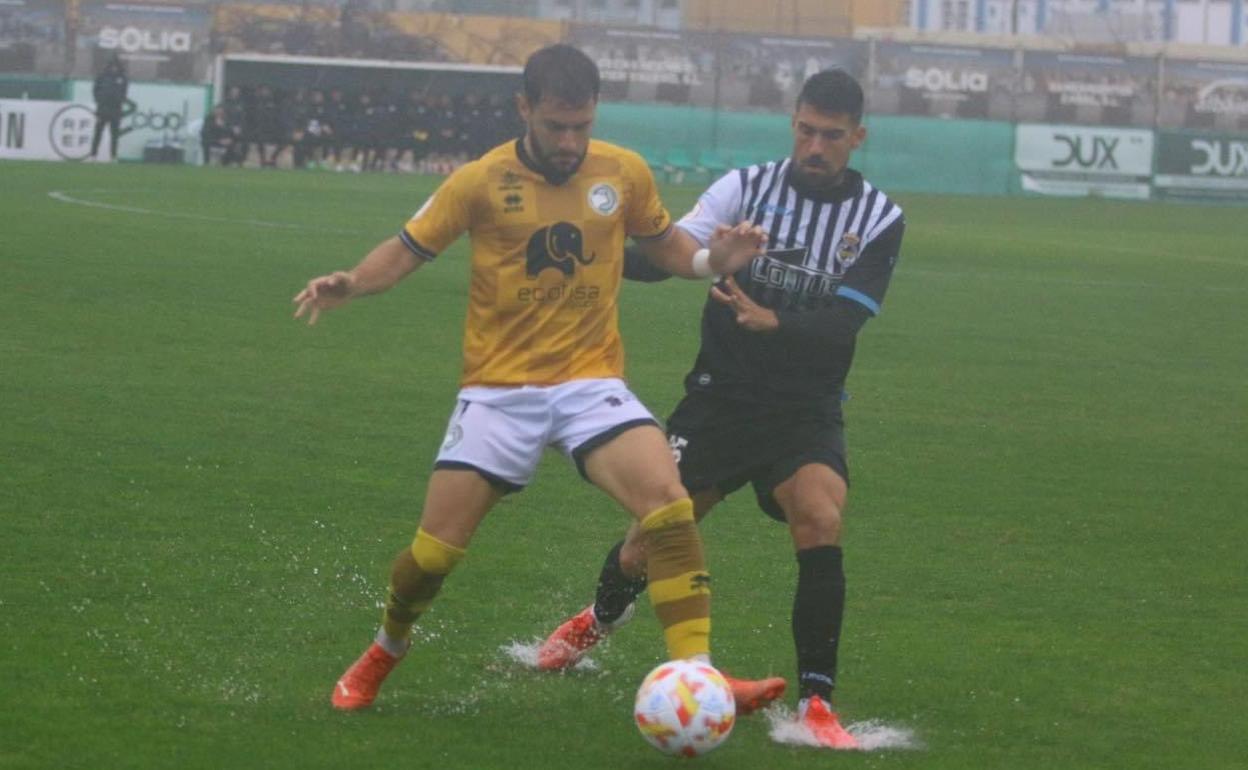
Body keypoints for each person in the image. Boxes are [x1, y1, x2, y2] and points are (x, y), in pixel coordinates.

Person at [292, 44, 775, 713]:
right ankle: (384, 650)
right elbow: (408, 249)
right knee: (431, 558)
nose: (571, 141)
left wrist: (709, 261)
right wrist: (351, 283)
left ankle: (700, 679)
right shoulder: (481, 180)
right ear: (524, 109)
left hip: (589, 382)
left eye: (582, 125)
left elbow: (663, 244)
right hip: (497, 392)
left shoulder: (624, 173)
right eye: (556, 126)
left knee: (669, 507)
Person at [536, 69, 906, 751]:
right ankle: (597, 619)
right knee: (652, 539)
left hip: (805, 408)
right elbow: (670, 253)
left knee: (820, 515)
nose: (815, 146)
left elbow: (845, 323)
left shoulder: (879, 218)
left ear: (858, 137)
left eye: (831, 135)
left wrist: (778, 323)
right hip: (721, 400)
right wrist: (599, 251)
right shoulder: (745, 187)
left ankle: (817, 704)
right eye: (805, 130)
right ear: (793, 123)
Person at [89, 56, 129, 162]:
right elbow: (95, 90)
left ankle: (113, 156)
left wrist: (120, 100)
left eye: (116, 66)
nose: (114, 68)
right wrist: (100, 100)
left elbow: (125, 92)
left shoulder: (123, 78)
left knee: (114, 135)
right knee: (98, 133)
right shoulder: (102, 77)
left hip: (116, 110)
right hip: (102, 110)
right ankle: (93, 155)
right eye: (112, 66)